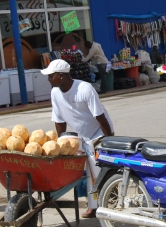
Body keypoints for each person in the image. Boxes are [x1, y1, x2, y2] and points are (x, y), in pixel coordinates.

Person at [41, 59, 114, 218]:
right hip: (81, 135)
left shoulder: (84, 89)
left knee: (98, 170)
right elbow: (59, 120)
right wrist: (60, 144)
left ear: (61, 76)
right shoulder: (55, 92)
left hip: (98, 133)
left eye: (50, 76)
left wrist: (109, 142)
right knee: (86, 172)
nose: (48, 79)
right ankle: (94, 205)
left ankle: (107, 201)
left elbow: (100, 117)